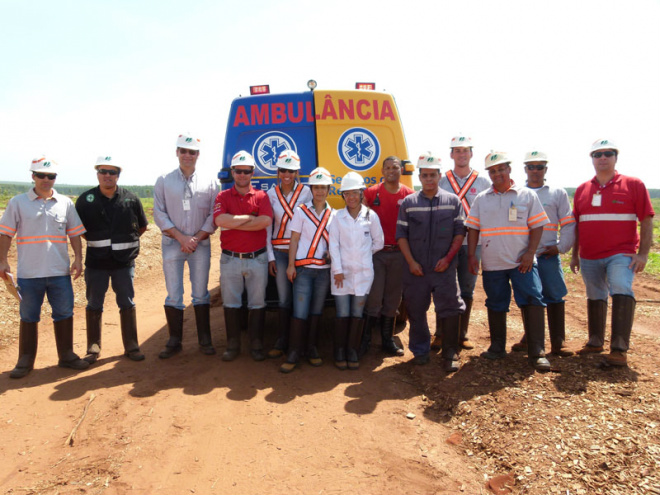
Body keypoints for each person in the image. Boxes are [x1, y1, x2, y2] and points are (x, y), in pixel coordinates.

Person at [0, 157, 89, 378]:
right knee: (29, 315)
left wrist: (78, 258)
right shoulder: (18, 203)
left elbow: (75, 233)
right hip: (30, 274)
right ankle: (25, 360)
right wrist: (2, 260)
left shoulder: (65, 203)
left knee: (64, 313)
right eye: (41, 175)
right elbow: (5, 234)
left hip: (60, 272)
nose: (46, 179)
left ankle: (67, 355)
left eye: (51, 176)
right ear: (33, 176)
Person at [570, 139, 654, 367]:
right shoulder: (582, 190)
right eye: (598, 154)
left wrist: (643, 254)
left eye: (608, 153)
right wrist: (575, 254)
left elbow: (646, 219)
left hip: (622, 253)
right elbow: (578, 225)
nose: (603, 158)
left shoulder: (633, 184)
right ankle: (596, 341)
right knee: (595, 294)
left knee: (620, 287)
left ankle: (618, 349)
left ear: (616, 157)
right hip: (589, 255)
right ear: (592, 159)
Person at [466, 152, 552, 371]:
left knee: (533, 299)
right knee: (495, 303)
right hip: (493, 262)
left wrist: (530, 252)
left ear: (509, 169)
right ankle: (497, 348)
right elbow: (473, 228)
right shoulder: (482, 198)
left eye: (501, 169)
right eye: (493, 170)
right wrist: (471, 257)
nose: (497, 173)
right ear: (489, 174)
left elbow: (538, 225)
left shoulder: (527, 195)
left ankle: (537, 351)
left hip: (521, 262)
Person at [75, 156, 148, 364]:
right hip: (96, 263)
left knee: (126, 302)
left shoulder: (131, 199)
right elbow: (78, 230)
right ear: (97, 173)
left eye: (112, 172)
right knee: (94, 303)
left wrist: (122, 243)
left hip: (123, 263)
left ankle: (132, 346)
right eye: (103, 171)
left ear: (118, 175)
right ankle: (93, 347)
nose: (108, 175)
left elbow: (142, 227)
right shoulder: (85, 200)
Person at [396, 153, 466, 372]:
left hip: (443, 268)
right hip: (416, 269)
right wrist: (411, 262)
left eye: (433, 175)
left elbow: (459, 233)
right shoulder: (409, 203)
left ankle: (450, 352)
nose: (429, 179)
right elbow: (401, 236)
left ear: (439, 175)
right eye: (425, 175)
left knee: (450, 309)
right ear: (419, 176)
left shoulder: (452, 201)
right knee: (416, 309)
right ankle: (420, 350)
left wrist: (447, 259)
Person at [154, 133, 218, 359]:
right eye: (183, 151)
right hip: (173, 243)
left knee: (201, 293)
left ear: (198, 155)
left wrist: (196, 238)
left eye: (192, 152)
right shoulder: (163, 180)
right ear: (177, 152)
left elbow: (214, 214)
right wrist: (181, 238)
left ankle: (205, 339)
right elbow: (159, 214)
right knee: (174, 293)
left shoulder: (210, 182)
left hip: (200, 245)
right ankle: (174, 341)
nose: (187, 155)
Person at [510, 151, 575, 356]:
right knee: (529, 296)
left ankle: (558, 342)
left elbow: (567, 222)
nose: (535, 171)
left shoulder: (557, 193)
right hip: (524, 257)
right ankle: (530, 338)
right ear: (525, 170)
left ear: (546, 169)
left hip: (547, 254)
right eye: (531, 166)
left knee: (554, 296)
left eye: (539, 167)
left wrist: (561, 247)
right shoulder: (516, 194)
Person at [214, 151, 273, 362]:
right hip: (230, 259)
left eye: (246, 171)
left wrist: (234, 221)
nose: (242, 175)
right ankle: (233, 345)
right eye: (238, 171)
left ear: (252, 173)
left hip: (257, 259)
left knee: (257, 303)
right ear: (232, 172)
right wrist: (249, 218)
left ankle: (256, 344)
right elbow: (221, 221)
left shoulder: (261, 197)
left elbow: (265, 221)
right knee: (231, 303)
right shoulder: (223, 196)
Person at [435, 135, 491, 351]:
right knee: (443, 288)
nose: (461, 154)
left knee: (467, 288)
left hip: (472, 244)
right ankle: (440, 333)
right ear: (451, 154)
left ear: (471, 153)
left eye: (465, 150)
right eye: (457, 150)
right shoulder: (442, 180)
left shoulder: (483, 182)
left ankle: (461, 334)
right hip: (446, 243)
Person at [281, 167, 334, 373]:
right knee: (300, 310)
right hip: (303, 270)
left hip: (323, 271)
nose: (319, 191)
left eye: (323, 187)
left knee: (316, 310)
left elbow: (335, 242)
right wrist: (291, 265)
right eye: (316, 187)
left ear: (329, 189)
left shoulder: (334, 215)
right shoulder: (301, 211)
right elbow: (294, 239)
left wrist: (332, 254)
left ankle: (311, 349)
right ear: (311, 189)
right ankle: (294, 352)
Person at [329, 172, 384, 370]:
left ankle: (352, 350)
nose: (351, 197)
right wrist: (337, 269)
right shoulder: (336, 216)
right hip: (341, 274)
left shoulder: (371, 216)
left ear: (361, 194)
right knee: (342, 312)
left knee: (357, 312)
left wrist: (362, 257)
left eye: (355, 193)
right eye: (347, 193)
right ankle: (339, 350)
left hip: (363, 274)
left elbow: (379, 242)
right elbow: (333, 244)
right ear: (343, 195)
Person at [361, 156, 413, 357]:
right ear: (382, 171)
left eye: (395, 167)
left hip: (399, 254)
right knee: (374, 298)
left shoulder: (409, 195)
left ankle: (387, 340)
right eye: (388, 168)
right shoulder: (371, 193)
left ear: (401, 170)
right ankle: (365, 340)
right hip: (377, 254)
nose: (391, 170)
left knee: (393, 299)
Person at [265, 150, 312, 359]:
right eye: (283, 170)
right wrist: (270, 258)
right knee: (284, 299)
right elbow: (267, 228)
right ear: (278, 171)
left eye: (291, 170)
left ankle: (302, 342)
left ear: (297, 172)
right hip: (280, 254)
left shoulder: (307, 192)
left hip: (301, 253)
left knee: (302, 298)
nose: (287, 174)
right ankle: (282, 340)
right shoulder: (270, 194)